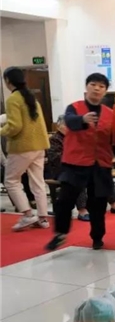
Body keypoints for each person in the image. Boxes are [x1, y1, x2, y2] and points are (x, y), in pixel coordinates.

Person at [46, 73, 115, 251]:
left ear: (105, 91)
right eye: (93, 84)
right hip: (76, 162)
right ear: (86, 87)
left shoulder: (110, 114)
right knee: (65, 199)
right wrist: (82, 120)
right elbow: (69, 121)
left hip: (100, 164)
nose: (97, 88)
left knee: (98, 203)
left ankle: (97, 237)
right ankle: (60, 233)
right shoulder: (74, 107)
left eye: (101, 86)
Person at [45, 116, 115, 222]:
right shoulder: (55, 140)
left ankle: (114, 203)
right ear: (59, 126)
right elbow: (56, 158)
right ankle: (82, 210)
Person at [0, 67, 50, 231]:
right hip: (39, 146)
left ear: (8, 81)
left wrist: (1, 131)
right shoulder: (31, 98)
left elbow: (15, 127)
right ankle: (42, 218)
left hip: (22, 147)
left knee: (11, 181)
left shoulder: (13, 99)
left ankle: (28, 215)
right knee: (38, 182)